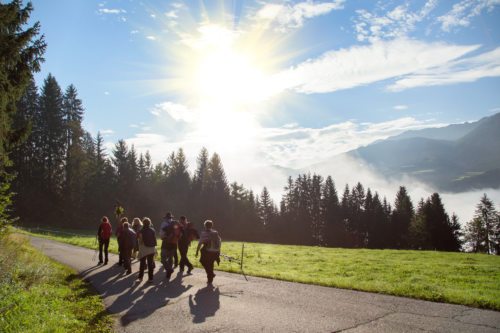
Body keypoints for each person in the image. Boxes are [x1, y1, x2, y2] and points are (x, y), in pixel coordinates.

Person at [196, 220, 221, 285]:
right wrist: (218, 251)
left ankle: (211, 274)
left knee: (203, 261)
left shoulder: (204, 233)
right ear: (211, 225)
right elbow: (219, 241)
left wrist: (197, 251)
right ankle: (210, 278)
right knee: (211, 264)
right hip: (215, 251)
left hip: (207, 251)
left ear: (205, 225)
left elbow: (200, 243)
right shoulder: (215, 233)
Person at [160, 212, 181, 280]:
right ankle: (168, 274)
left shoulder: (164, 223)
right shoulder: (176, 224)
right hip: (174, 243)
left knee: (163, 258)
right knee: (170, 258)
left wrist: (163, 238)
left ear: (166, 217)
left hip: (166, 242)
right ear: (171, 217)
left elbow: (161, 233)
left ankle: (169, 269)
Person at [137, 217, 157, 282]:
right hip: (152, 249)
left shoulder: (141, 230)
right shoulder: (153, 230)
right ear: (149, 223)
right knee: (150, 264)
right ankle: (150, 278)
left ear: (143, 223)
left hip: (144, 249)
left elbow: (140, 241)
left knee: (142, 264)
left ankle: (140, 278)